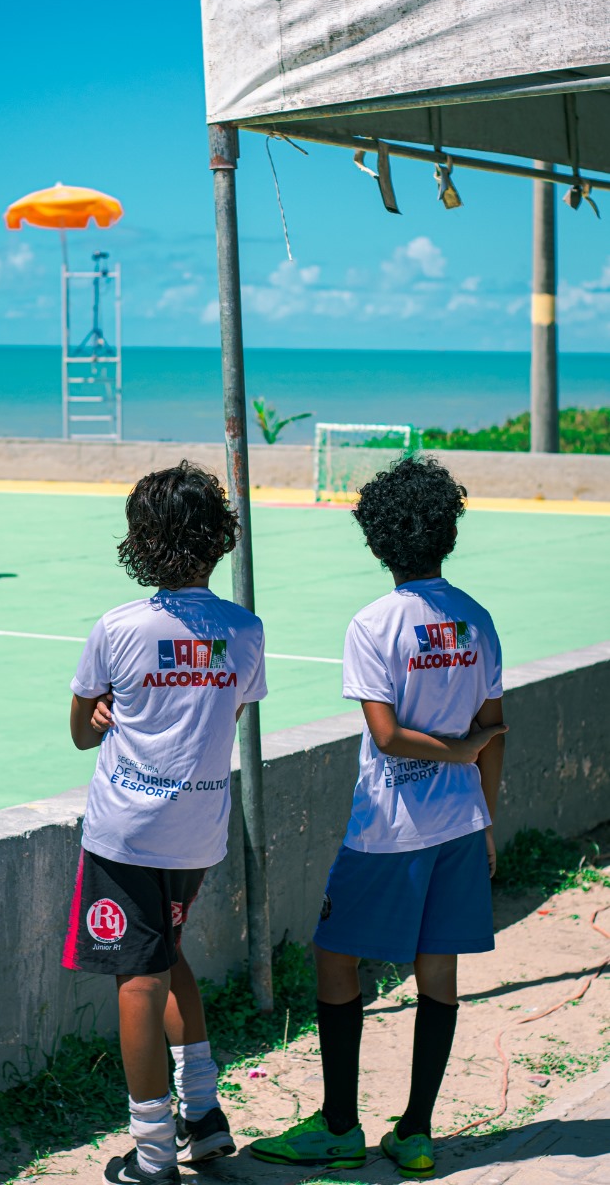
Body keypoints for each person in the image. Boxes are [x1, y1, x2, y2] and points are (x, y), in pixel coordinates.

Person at [251, 455, 507, 1180]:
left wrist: (456, 751)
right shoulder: (476, 618)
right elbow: (493, 728)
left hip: (388, 829)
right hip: (459, 825)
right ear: (447, 532)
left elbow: (388, 735)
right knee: (438, 969)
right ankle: (416, 1133)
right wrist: (485, 816)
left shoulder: (373, 623)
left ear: (377, 539)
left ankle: (339, 1126)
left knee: (335, 956)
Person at [63, 461, 267, 1185]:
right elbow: (223, 719)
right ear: (218, 539)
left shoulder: (117, 627)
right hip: (198, 832)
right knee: (166, 955)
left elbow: (81, 734)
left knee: (138, 980)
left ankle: (152, 1154)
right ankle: (203, 1116)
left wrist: (100, 714)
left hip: (125, 834)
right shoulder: (245, 630)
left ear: (142, 541)